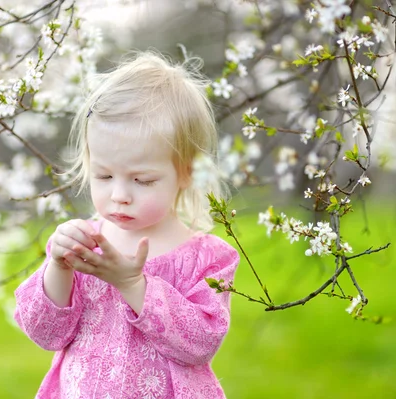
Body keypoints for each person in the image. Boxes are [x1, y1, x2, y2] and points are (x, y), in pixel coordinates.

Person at [13, 51, 240, 399]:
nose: (119, 195)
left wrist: (133, 283)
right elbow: (46, 333)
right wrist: (58, 268)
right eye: (103, 175)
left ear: (187, 172)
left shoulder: (208, 258)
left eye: (142, 180)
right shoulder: (85, 244)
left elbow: (200, 343)